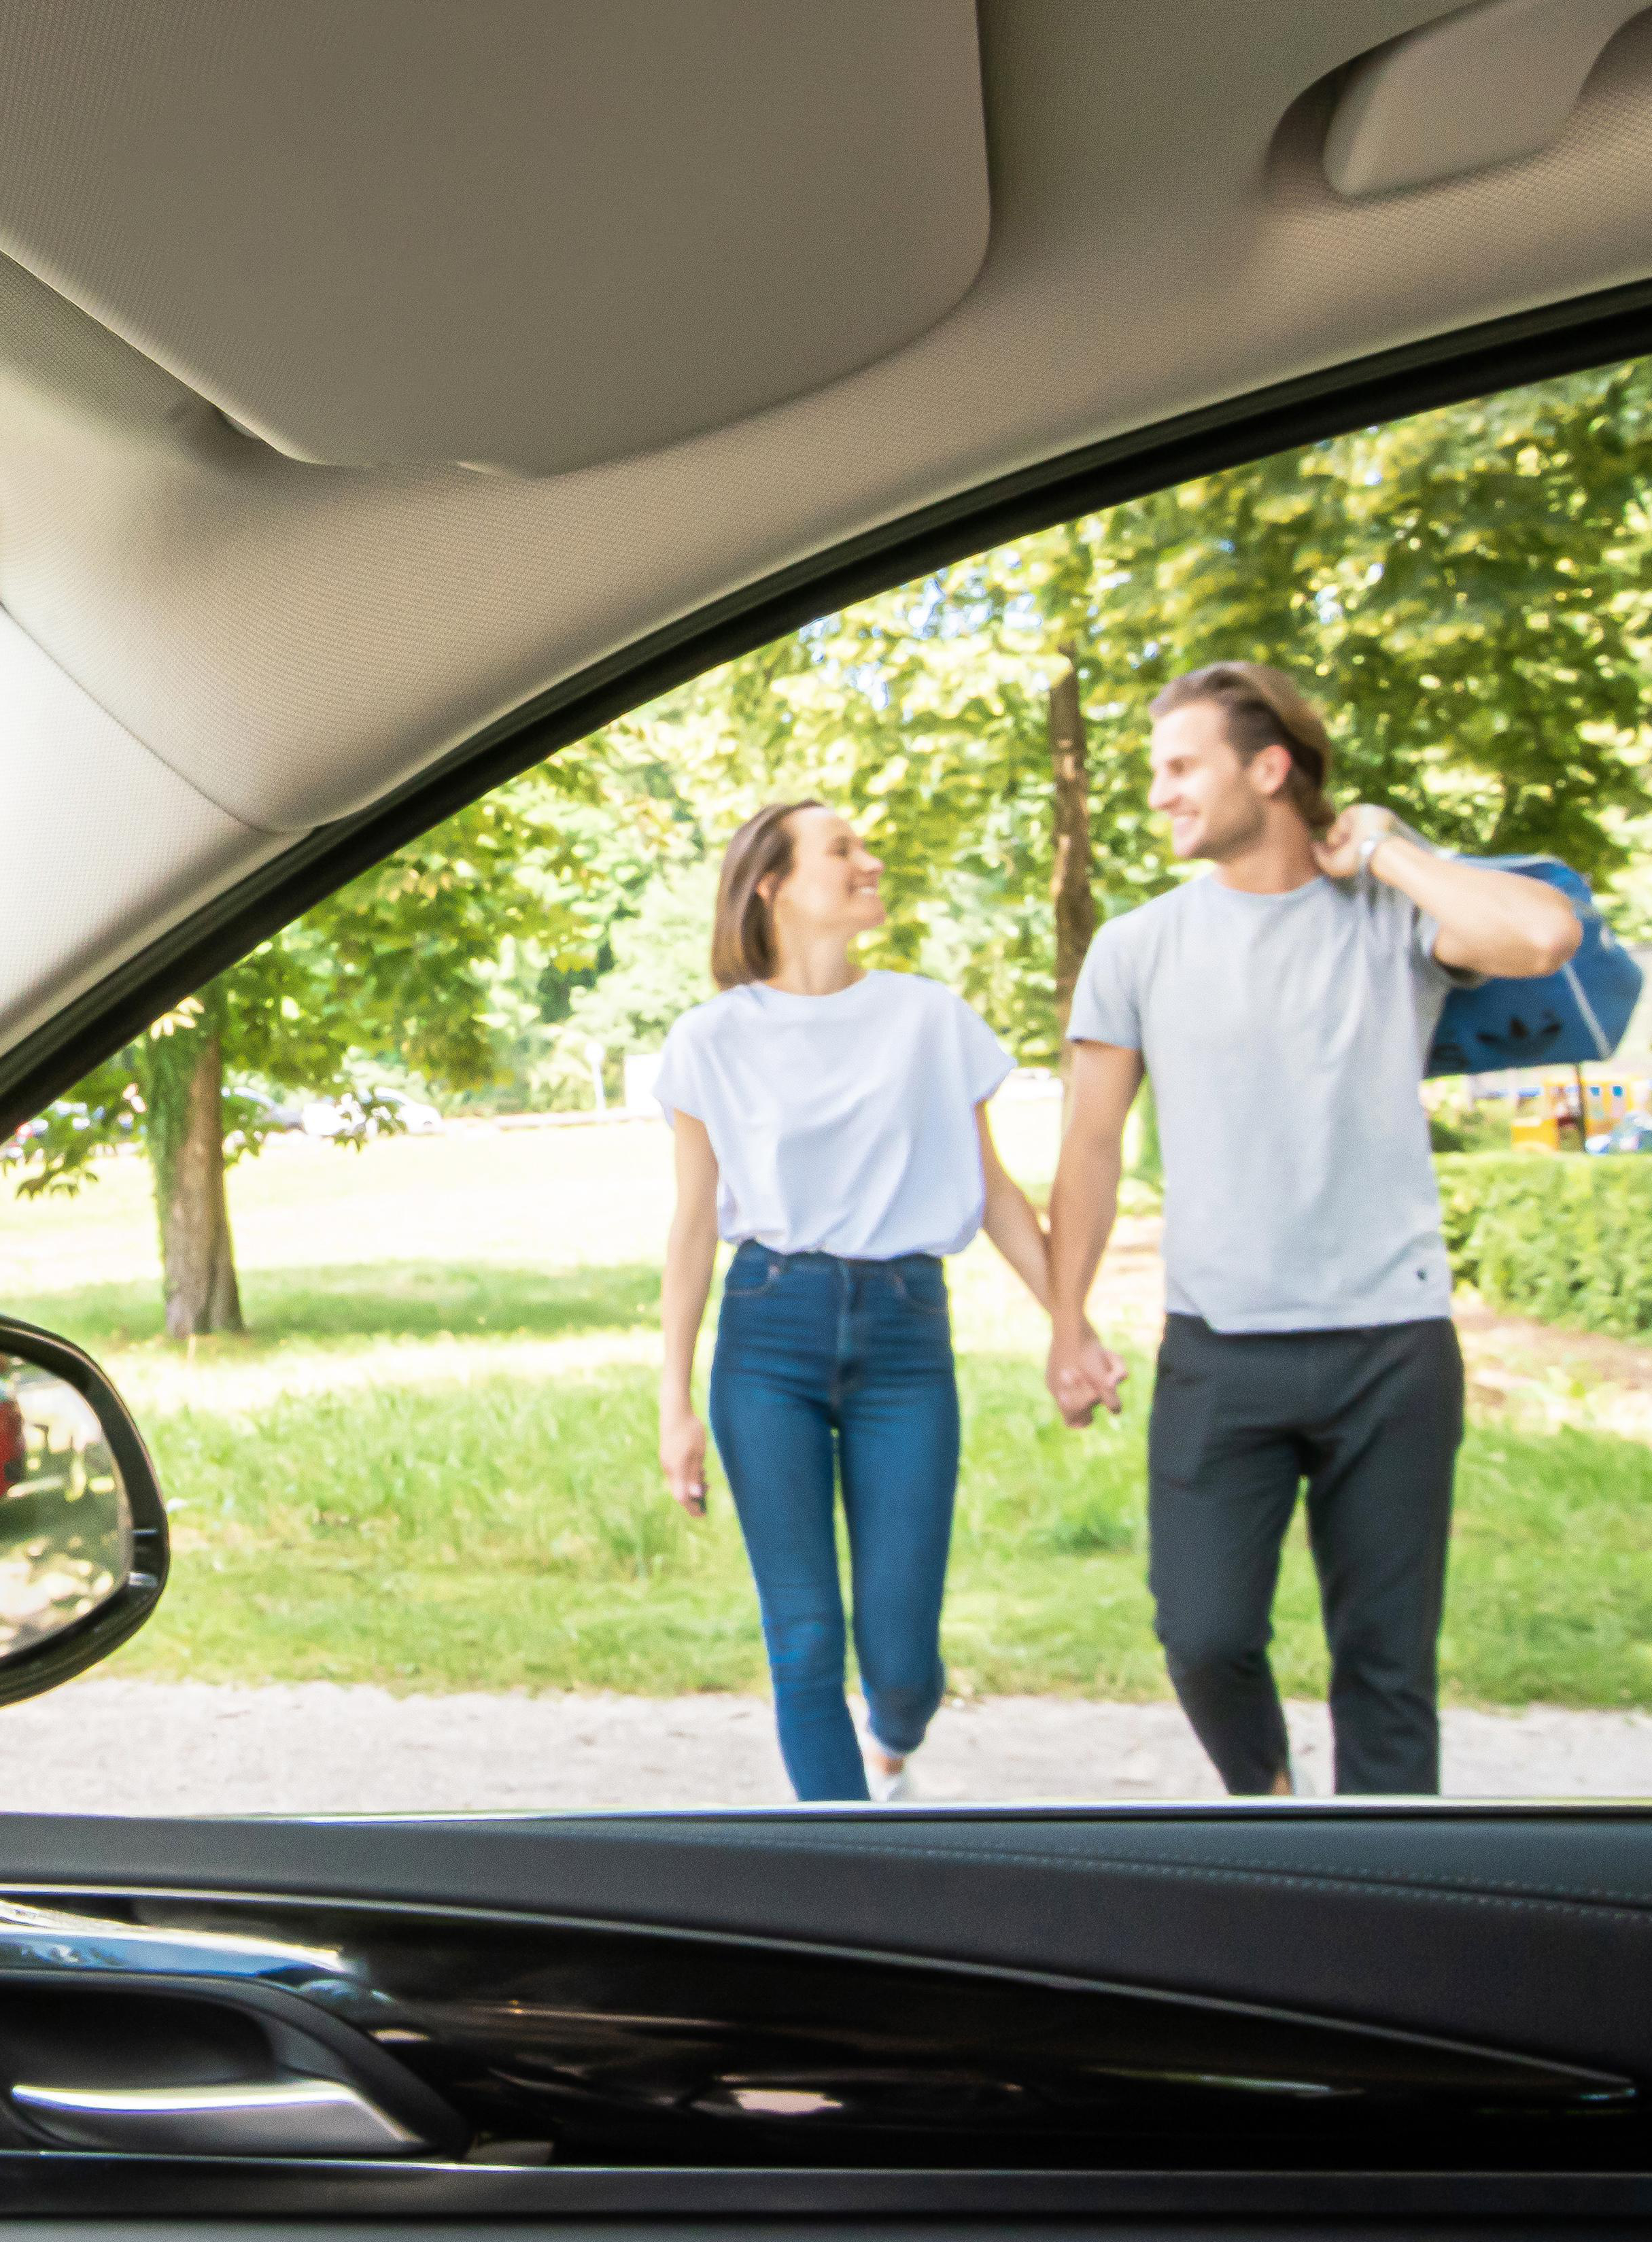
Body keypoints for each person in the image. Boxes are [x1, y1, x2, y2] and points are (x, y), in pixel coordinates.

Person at [1045, 663, 1585, 1797]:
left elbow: (1541, 933)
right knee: (1200, 1635)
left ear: (1269, 768)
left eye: (1180, 765)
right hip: (1218, 1349)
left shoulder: (1391, 918)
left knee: (1387, 1671)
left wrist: (1386, 848)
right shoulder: (1138, 947)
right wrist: (1066, 1320)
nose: (1159, 794)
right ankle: (1271, 1802)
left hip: (1389, 1347)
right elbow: (1089, 1146)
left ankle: (1388, 1915)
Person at [653, 800, 1059, 1803]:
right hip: (766, 1336)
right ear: (772, 884)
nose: (869, 860)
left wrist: (1071, 1321)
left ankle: (893, 1743)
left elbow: (994, 1186)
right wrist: (673, 1398)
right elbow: (694, 1223)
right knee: (802, 1638)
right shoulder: (710, 1038)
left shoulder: (928, 1017)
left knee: (901, 1652)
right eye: (841, 850)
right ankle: (846, 1866)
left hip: (905, 1337)